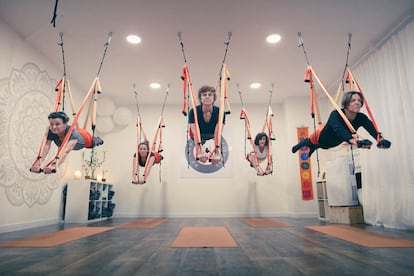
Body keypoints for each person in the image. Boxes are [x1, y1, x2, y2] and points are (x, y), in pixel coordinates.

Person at [292, 91, 391, 157]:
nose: (357, 103)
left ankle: (314, 147)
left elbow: (372, 128)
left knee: (321, 147)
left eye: (359, 101)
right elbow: (340, 130)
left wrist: (381, 140)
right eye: (353, 100)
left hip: (332, 144)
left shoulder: (361, 117)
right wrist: (357, 142)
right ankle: (303, 144)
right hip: (320, 136)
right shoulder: (336, 114)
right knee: (309, 142)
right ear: (346, 103)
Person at [30, 111, 104, 174]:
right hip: (76, 133)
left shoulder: (72, 133)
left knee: (94, 141)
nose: (54, 127)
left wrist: (54, 165)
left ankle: (98, 140)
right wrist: (38, 163)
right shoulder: (51, 131)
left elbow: (65, 152)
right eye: (51, 124)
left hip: (85, 138)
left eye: (57, 124)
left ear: (65, 124)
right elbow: (46, 146)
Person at [188, 85, 225, 164]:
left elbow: (217, 134)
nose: (207, 97)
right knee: (197, 141)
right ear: (200, 99)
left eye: (210, 95)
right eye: (204, 95)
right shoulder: (193, 111)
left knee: (218, 138)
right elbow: (195, 133)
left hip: (212, 133)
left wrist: (217, 152)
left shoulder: (220, 112)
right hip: (198, 134)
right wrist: (199, 152)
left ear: (213, 98)